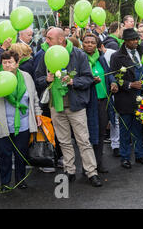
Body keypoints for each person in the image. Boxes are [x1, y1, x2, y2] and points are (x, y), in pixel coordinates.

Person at [35, 28, 102, 187]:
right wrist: (47, 78)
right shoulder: (45, 55)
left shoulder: (78, 54)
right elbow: (37, 79)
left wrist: (73, 82)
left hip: (76, 105)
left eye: (49, 38)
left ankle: (91, 172)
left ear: (60, 39)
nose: (46, 41)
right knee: (64, 141)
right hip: (55, 106)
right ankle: (69, 170)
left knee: (83, 141)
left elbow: (88, 79)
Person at [0, 50, 43, 193]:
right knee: (4, 156)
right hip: (3, 125)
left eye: (10, 62)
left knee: (21, 155)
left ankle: (21, 180)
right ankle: (5, 183)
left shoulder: (26, 77)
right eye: (4, 62)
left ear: (17, 63)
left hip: (23, 125)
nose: (6, 65)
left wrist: (38, 114)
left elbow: (34, 97)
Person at [109, 28, 143, 169]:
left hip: (142, 97)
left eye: (136, 39)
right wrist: (129, 84)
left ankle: (140, 155)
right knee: (125, 129)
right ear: (125, 41)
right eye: (132, 39)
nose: (135, 42)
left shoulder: (141, 51)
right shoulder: (117, 56)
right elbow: (114, 77)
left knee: (139, 128)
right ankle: (125, 157)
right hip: (125, 98)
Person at [82, 33, 117, 174]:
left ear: (97, 45)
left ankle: (99, 163)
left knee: (101, 133)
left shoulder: (101, 59)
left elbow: (109, 74)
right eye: (87, 42)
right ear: (82, 44)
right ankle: (88, 167)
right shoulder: (80, 59)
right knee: (88, 135)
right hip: (88, 103)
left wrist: (113, 82)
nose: (90, 44)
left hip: (103, 101)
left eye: (92, 42)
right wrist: (91, 81)